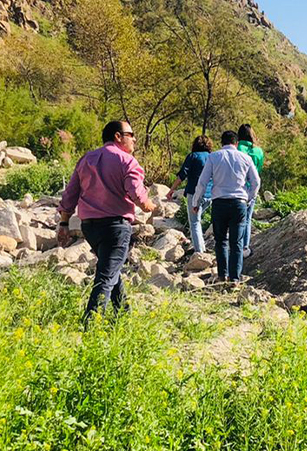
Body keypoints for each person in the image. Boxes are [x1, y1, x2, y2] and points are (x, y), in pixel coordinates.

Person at [58, 120, 157, 323]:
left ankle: (123, 314)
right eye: (130, 134)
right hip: (115, 226)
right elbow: (136, 193)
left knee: (110, 269)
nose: (134, 138)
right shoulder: (127, 161)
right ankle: (91, 323)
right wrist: (149, 205)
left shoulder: (86, 159)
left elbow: (71, 194)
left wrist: (64, 223)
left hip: (90, 227)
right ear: (118, 137)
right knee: (106, 276)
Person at [191, 130, 260, 282]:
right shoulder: (245, 158)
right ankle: (235, 278)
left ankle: (222, 276)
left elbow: (202, 182)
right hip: (239, 204)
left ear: (221, 143)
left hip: (219, 203)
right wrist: (248, 198)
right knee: (237, 242)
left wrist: (196, 202)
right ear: (236, 143)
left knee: (221, 240)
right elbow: (256, 182)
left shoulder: (214, 157)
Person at [170, 135, 212, 254]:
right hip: (210, 195)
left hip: (194, 194)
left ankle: (199, 252)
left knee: (194, 222)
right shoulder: (212, 157)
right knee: (198, 220)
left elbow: (182, 175)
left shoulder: (193, 156)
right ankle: (201, 246)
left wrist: (171, 190)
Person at [236, 124, 265, 256]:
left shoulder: (237, 149)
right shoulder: (258, 151)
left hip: (238, 188)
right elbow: (258, 170)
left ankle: (235, 245)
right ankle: (245, 247)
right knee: (247, 219)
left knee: (235, 219)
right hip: (252, 188)